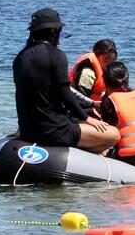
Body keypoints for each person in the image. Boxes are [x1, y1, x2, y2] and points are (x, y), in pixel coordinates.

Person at [13, 8, 119, 153]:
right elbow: (64, 93)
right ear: (53, 32)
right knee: (113, 135)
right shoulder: (57, 56)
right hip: (55, 130)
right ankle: (80, 157)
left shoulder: (20, 57)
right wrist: (87, 118)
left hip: (28, 130)